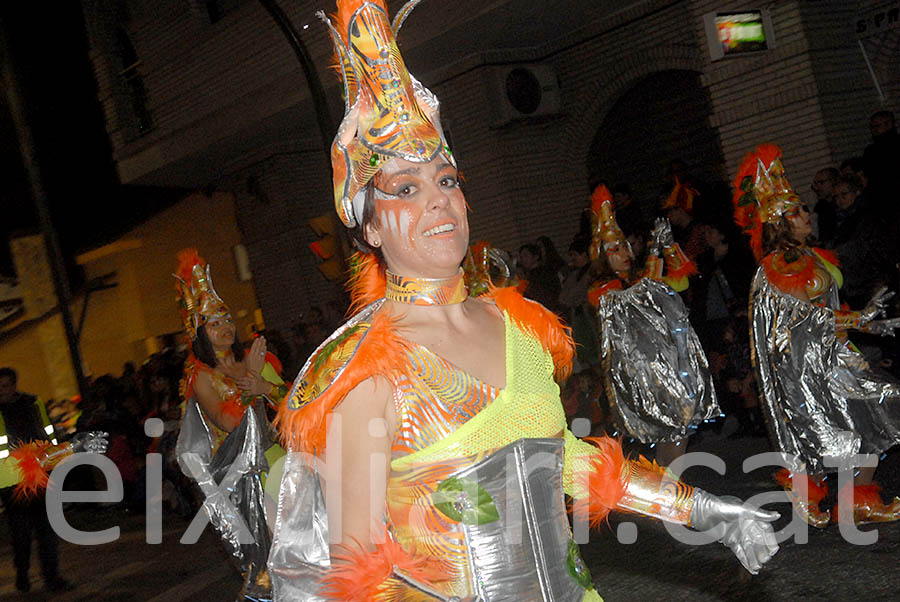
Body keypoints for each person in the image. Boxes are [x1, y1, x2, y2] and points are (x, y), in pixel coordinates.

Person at [268, 3, 778, 600]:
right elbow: (352, 578)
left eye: (446, 179)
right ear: (370, 229)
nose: (437, 200)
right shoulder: (367, 373)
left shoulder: (519, 327)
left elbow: (566, 460)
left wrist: (707, 511)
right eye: (405, 189)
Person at [733, 143, 900, 527]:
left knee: (877, 411)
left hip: (835, 354)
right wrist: (862, 320)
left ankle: (858, 499)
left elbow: (826, 309)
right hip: (807, 364)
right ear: (779, 222)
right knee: (829, 430)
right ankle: (804, 488)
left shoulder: (810, 256)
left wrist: (861, 320)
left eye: (805, 208)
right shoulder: (783, 263)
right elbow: (803, 319)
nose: (807, 213)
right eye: (797, 212)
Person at [173, 249, 287, 602]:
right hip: (243, 475)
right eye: (215, 322)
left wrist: (266, 385)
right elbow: (227, 421)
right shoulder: (201, 376)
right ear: (199, 332)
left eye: (226, 318)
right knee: (272, 561)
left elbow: (294, 401)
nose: (226, 326)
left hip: (279, 458)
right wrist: (251, 378)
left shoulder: (253, 358)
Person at [585, 185, 719, 466]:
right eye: (613, 249)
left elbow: (679, 282)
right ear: (601, 256)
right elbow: (640, 295)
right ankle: (665, 488)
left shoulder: (638, 279)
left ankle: (666, 487)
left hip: (671, 365)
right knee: (672, 431)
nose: (623, 252)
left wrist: (668, 246)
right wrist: (654, 254)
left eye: (624, 246)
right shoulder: (603, 291)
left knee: (681, 429)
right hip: (646, 375)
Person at [0, 367, 107, 593]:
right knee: (21, 533)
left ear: (14, 384)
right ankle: (22, 571)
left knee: (46, 529)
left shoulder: (32, 403)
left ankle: (52, 576)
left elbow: (47, 433)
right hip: (11, 481)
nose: (3, 391)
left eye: (6, 385)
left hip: (39, 473)